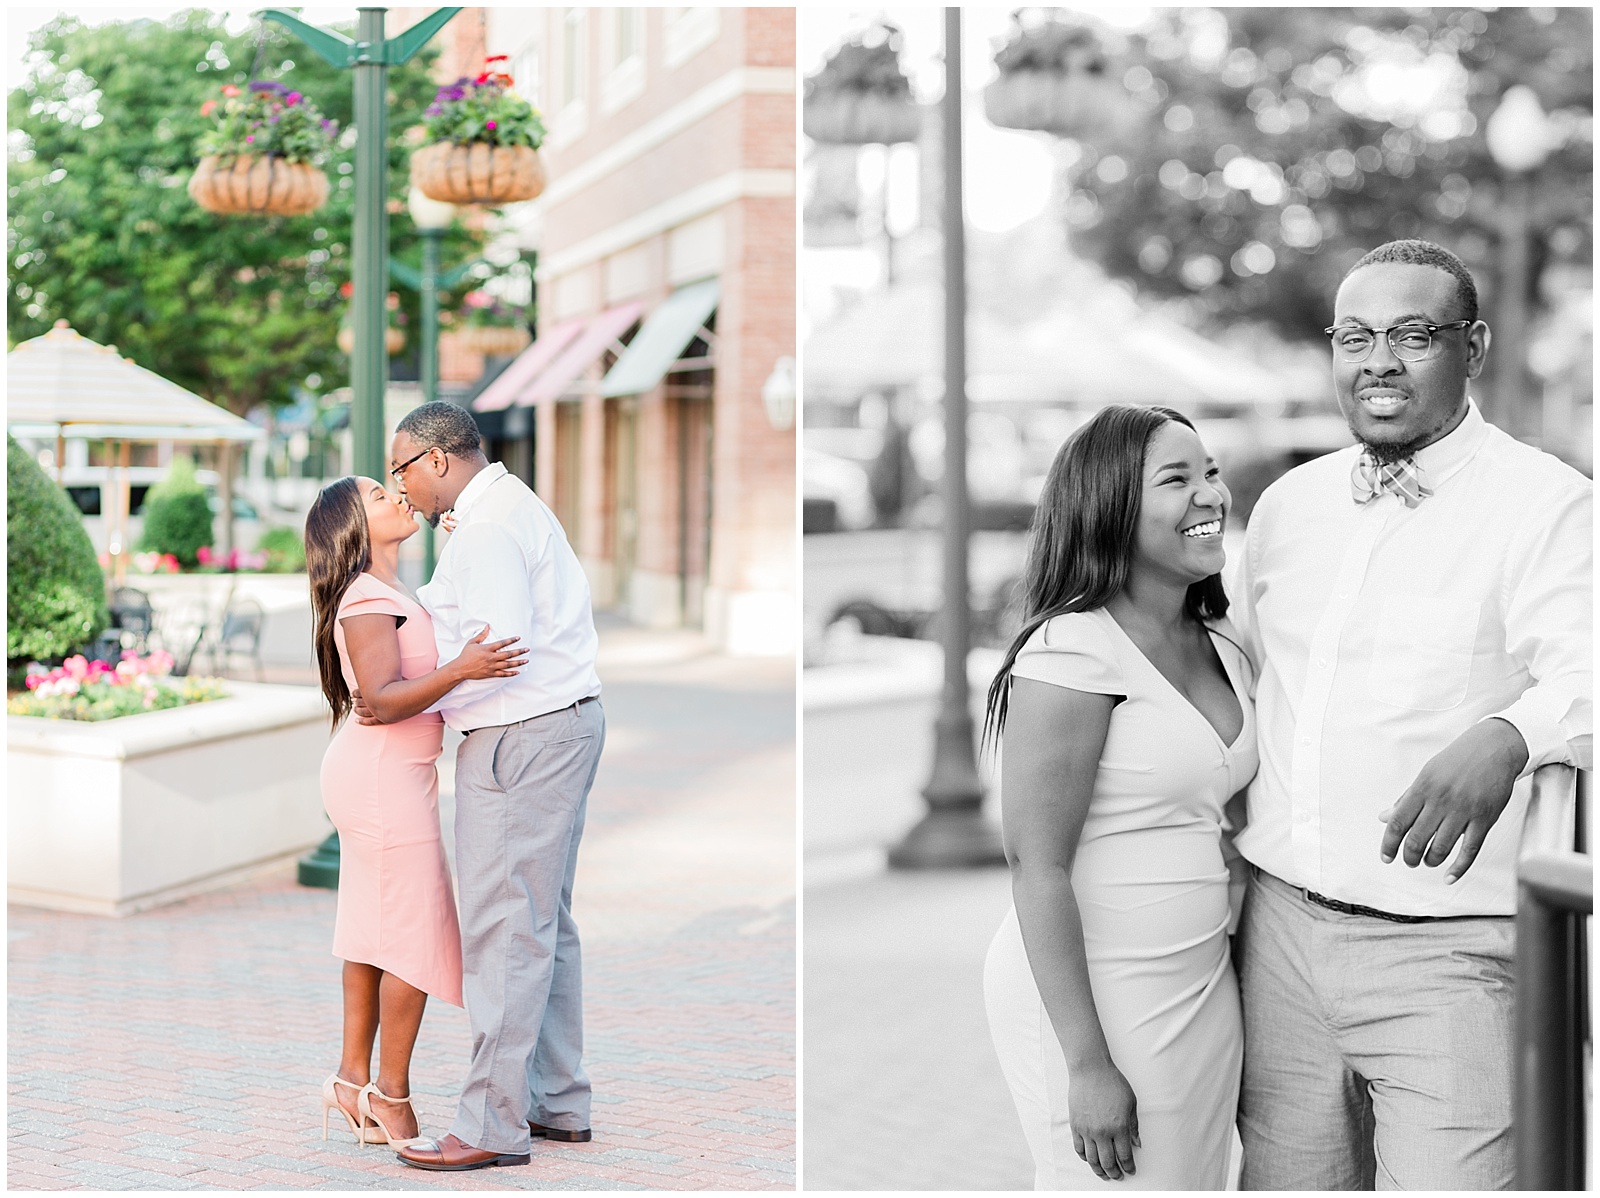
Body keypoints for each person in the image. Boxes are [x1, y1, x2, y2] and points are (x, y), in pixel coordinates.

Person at [1229, 239, 1592, 1190]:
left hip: (1450, 959)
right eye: (1355, 335)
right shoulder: (1287, 507)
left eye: (1411, 334)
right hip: (1277, 944)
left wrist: (1514, 735)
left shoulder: (1546, 507)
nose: (1378, 359)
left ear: (1470, 348)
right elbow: (1237, 679)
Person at [982, 404, 1255, 1190]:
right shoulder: (1071, 650)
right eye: (1177, 479)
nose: (1210, 495)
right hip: (1097, 998)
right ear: (1111, 507)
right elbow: (1036, 867)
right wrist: (1087, 1062)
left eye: (1211, 472)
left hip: (1201, 987)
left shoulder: (1225, 642)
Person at [363, 401, 606, 1173]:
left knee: (507, 930)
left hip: (522, 739)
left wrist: (415, 699)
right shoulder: (496, 510)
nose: (400, 488)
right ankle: (556, 1100)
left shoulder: (492, 525)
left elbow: (498, 650)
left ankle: (492, 1123)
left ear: (436, 460)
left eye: (400, 468)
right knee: (542, 923)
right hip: (555, 728)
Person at [305, 475, 526, 1150]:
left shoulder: (391, 591)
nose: (396, 497)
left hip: (387, 774)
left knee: (375, 929)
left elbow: (394, 689)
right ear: (353, 526)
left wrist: (460, 550)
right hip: (381, 781)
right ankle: (389, 1095)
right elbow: (387, 697)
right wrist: (462, 670)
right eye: (378, 495)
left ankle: (351, 1082)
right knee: (412, 934)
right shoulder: (367, 598)